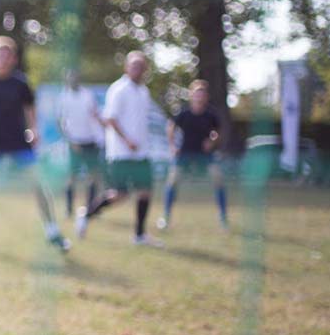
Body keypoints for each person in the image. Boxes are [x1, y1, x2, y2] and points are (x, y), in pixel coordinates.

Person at [0, 37, 69, 253]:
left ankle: (52, 230)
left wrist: (34, 130)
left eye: (6, 54)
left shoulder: (20, 83)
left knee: (39, 185)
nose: (2, 58)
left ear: (13, 59)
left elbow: (30, 109)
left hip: (19, 143)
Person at [76, 51, 158, 246]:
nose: (137, 69)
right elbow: (110, 119)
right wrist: (127, 140)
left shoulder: (144, 91)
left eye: (141, 66)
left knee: (145, 191)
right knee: (120, 194)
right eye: (134, 65)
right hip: (121, 153)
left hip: (142, 152)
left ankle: (139, 235)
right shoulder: (118, 89)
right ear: (126, 67)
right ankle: (86, 213)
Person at [160, 79, 227, 229]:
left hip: (205, 155)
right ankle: (165, 216)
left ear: (206, 97)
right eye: (196, 94)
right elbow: (170, 127)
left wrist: (212, 141)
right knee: (172, 180)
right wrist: (172, 146)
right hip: (185, 152)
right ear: (191, 96)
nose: (199, 97)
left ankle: (223, 217)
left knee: (218, 178)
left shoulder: (211, 114)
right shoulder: (184, 113)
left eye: (202, 94)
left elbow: (218, 132)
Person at [57, 69, 105, 215]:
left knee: (93, 175)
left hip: (91, 141)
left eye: (75, 77)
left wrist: (100, 135)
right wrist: (70, 140)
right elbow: (60, 122)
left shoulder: (87, 94)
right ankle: (69, 209)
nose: (73, 80)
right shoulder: (63, 97)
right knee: (72, 176)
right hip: (75, 142)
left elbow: (94, 115)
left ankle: (91, 208)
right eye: (70, 77)